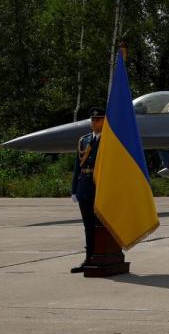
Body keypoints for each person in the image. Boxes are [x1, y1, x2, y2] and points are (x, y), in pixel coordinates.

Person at [70, 107, 104, 273]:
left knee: (100, 225)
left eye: (98, 119)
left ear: (105, 121)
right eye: (93, 120)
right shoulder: (84, 140)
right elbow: (78, 165)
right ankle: (89, 258)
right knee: (88, 225)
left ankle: (102, 256)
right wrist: (74, 189)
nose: (94, 122)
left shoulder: (110, 141)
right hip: (84, 186)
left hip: (100, 187)